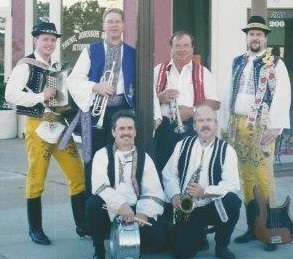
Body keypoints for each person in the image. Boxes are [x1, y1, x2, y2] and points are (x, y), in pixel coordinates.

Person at [5, 22, 86, 245]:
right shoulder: (25, 65)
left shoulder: (56, 67)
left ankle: (82, 225)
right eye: (45, 39)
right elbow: (10, 95)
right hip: (36, 125)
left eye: (53, 40)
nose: (49, 43)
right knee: (36, 177)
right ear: (36, 40)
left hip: (59, 125)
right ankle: (35, 229)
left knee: (77, 175)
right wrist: (41, 96)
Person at [219, 16, 291, 251]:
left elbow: (282, 94)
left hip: (261, 125)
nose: (255, 37)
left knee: (263, 176)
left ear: (265, 37)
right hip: (238, 125)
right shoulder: (238, 61)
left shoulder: (275, 62)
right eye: (251, 34)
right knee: (245, 176)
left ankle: (270, 228)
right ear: (247, 37)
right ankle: (254, 227)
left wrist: (276, 126)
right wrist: (224, 124)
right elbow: (229, 91)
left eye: (259, 34)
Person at [59, 8, 136, 198]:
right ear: (103, 25)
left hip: (123, 111)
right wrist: (95, 86)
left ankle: (120, 204)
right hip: (95, 113)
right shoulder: (90, 50)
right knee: (93, 160)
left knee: (120, 157)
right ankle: (93, 211)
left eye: (117, 21)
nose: (113, 25)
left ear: (124, 25)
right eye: (109, 21)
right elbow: (74, 80)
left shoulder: (133, 53)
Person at [162, 105, 241, 259]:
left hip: (213, 206)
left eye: (209, 120)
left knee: (232, 202)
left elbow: (232, 185)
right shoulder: (182, 145)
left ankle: (221, 245)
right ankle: (198, 234)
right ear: (194, 125)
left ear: (216, 124)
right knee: (182, 253)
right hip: (188, 209)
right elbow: (169, 174)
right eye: (200, 120)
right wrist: (175, 195)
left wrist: (205, 192)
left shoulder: (227, 150)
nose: (205, 124)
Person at [85, 110, 166, 259]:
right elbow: (100, 185)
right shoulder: (102, 154)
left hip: (136, 210)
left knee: (158, 239)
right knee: (93, 204)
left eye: (130, 128)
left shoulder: (144, 157)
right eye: (121, 129)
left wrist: (144, 213)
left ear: (135, 132)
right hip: (110, 208)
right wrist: (121, 205)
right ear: (113, 132)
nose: (126, 132)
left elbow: (154, 191)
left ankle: (128, 243)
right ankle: (99, 249)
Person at [153, 31, 220, 175]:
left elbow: (215, 102)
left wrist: (193, 111)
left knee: (189, 166)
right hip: (164, 128)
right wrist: (160, 97)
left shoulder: (203, 72)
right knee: (161, 167)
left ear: (192, 48)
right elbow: (147, 100)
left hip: (192, 128)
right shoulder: (158, 70)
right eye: (177, 46)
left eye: (186, 45)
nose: (181, 49)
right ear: (171, 49)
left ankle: (186, 197)